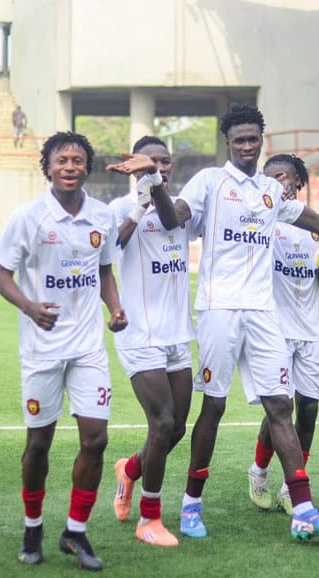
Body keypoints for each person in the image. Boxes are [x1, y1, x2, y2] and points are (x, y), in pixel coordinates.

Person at [112, 102, 319, 542]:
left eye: (253, 138)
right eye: (240, 140)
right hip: (218, 309)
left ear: (260, 140)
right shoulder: (210, 181)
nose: (247, 146)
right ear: (228, 142)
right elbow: (174, 217)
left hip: (263, 313)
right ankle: (191, 504)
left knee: (280, 406)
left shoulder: (272, 191)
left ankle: (304, 510)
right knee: (214, 407)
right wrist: (154, 180)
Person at [0, 131, 128, 571]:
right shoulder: (29, 217)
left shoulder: (102, 216)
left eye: (77, 160)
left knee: (96, 439)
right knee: (39, 444)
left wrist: (115, 308)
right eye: (61, 160)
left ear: (87, 167)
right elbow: (2, 277)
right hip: (42, 350)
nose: (70, 166)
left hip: (88, 347)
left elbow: (104, 271)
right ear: (48, 167)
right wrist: (30, 307)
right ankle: (32, 526)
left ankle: (75, 531)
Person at [246, 154, 319, 516]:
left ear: (298, 181)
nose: (275, 182)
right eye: (268, 177)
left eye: (282, 176)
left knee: (309, 410)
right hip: (275, 331)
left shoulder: (316, 228)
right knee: (279, 409)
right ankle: (259, 471)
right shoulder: (264, 222)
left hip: (312, 331)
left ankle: (289, 488)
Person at [107, 137, 199, 547]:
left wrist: (154, 187)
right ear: (133, 166)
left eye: (165, 162)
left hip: (178, 334)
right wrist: (138, 207)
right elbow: (110, 248)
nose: (159, 167)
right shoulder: (116, 208)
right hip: (140, 333)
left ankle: (128, 470)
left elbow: (172, 221)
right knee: (160, 423)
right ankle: (150, 518)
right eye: (150, 162)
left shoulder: (181, 206)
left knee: (175, 428)